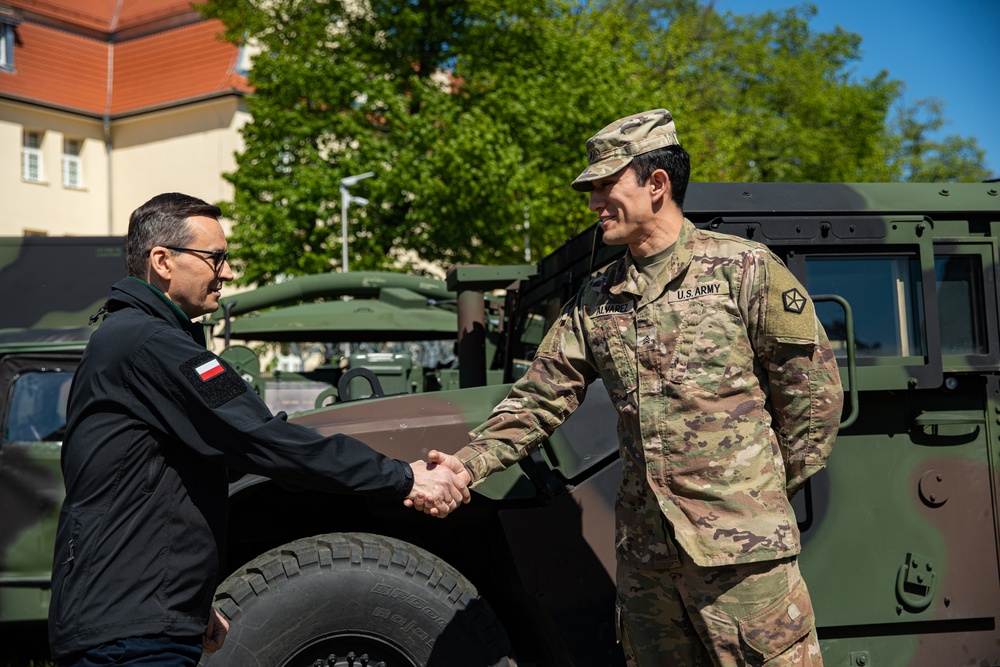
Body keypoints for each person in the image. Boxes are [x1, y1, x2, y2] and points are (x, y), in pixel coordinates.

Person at [429, 109, 843, 666]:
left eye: (606, 186)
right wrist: (467, 465)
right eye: (592, 189)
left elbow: (812, 400)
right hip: (648, 564)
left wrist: (757, 497)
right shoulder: (598, 297)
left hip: (742, 564)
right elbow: (541, 394)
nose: (595, 202)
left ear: (656, 184)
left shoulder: (742, 270)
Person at [48, 193, 469, 666]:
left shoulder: (132, 339)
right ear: (162, 261)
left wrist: (187, 597)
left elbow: (151, 485)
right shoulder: (150, 343)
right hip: (132, 635)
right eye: (216, 258)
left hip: (136, 616)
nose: (227, 273)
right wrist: (406, 478)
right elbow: (264, 439)